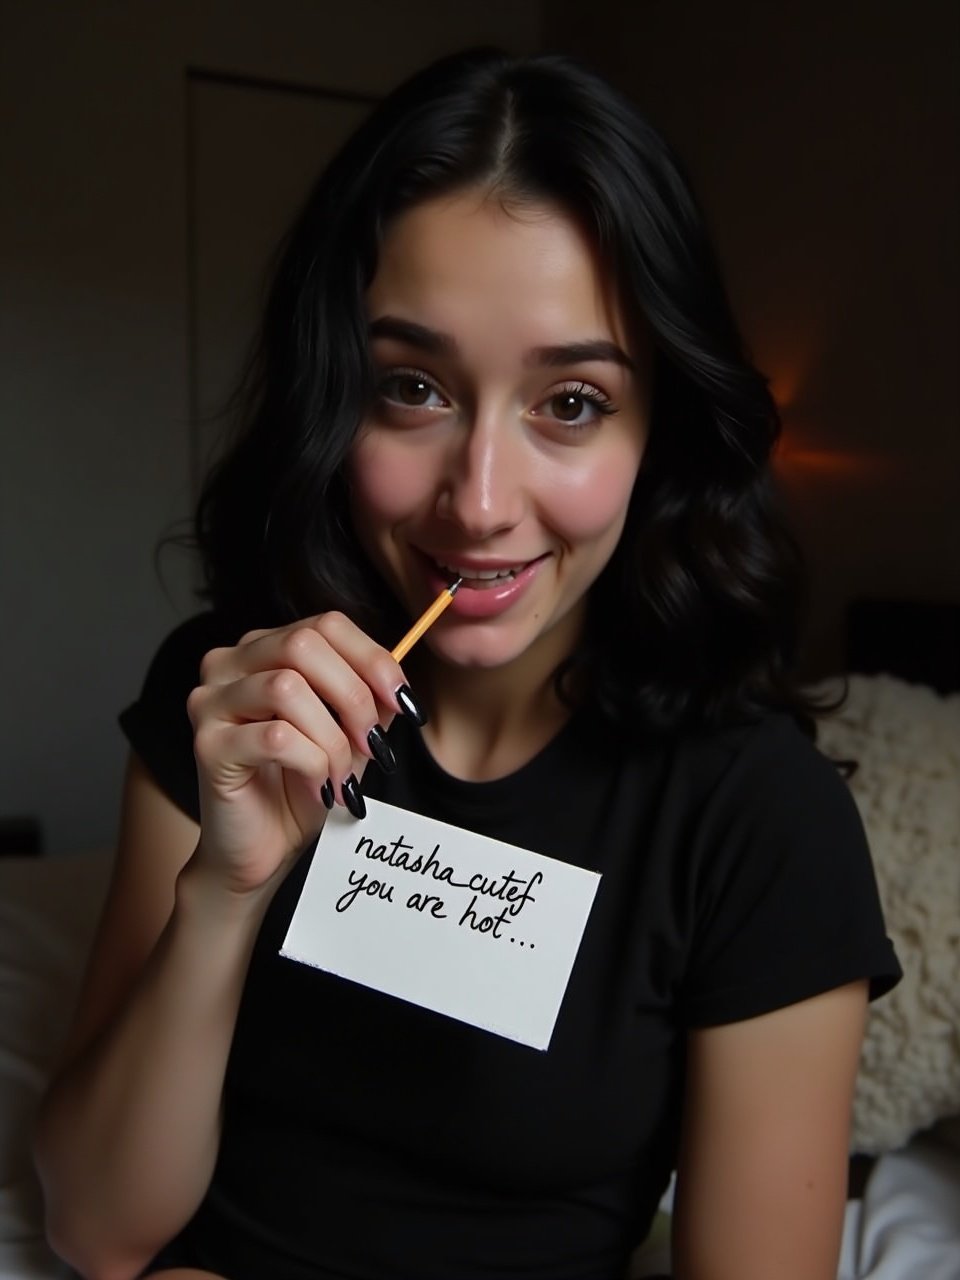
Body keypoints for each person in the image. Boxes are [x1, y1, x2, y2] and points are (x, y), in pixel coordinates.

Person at [33, 46, 900, 1280]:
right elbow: (98, 1232)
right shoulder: (240, 696)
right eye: (414, 386)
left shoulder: (758, 818)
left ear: (663, 426)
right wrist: (221, 897)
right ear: (341, 395)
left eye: (573, 402)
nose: (480, 501)